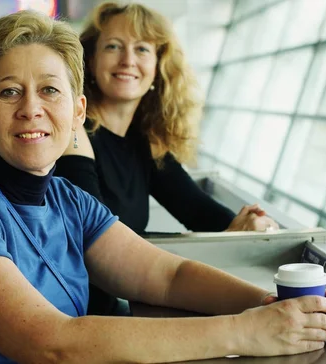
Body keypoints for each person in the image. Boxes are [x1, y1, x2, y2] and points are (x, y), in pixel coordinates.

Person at [0, 10, 326, 364]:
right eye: (9, 92)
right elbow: (49, 344)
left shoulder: (68, 201)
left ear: (78, 111)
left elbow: (167, 276)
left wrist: (267, 305)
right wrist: (246, 332)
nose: (30, 108)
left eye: (49, 90)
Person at [55, 1, 279, 315]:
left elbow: (197, 208)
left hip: (116, 306)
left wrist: (247, 224)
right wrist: (231, 236)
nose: (128, 60)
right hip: (70, 313)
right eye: (114, 46)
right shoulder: (73, 133)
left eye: (143, 49)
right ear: (90, 60)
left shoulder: (143, 142)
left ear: (160, 64)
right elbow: (96, 240)